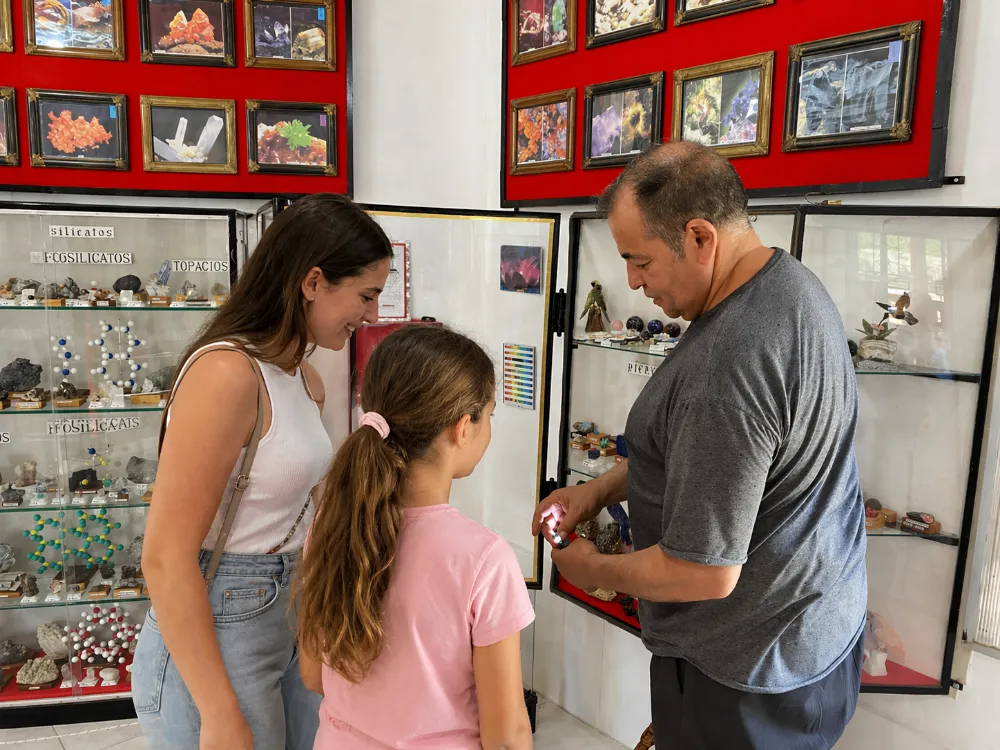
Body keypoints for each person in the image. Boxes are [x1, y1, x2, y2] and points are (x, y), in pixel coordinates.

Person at [533, 142, 867, 750]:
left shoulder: (728, 364)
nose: (633, 282)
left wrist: (592, 569)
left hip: (743, 679)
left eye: (640, 261)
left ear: (699, 238)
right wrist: (598, 491)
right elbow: (718, 461)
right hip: (814, 636)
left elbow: (704, 572)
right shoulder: (788, 284)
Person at [132, 193, 394, 750]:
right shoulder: (228, 373)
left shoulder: (303, 377)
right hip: (218, 624)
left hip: (289, 612)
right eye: (367, 295)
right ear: (313, 281)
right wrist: (218, 712)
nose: (372, 316)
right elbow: (165, 555)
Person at [296, 325, 535, 750]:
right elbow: (506, 737)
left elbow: (314, 675)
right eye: (490, 415)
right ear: (463, 428)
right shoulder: (485, 560)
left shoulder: (330, 525)